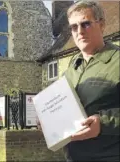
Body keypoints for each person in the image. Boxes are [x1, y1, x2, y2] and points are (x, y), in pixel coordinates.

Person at [63, 1, 119, 161]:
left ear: (101, 25)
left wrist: (103, 123)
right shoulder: (71, 70)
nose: (79, 31)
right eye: (74, 27)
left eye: (85, 24)